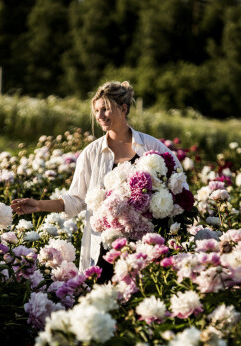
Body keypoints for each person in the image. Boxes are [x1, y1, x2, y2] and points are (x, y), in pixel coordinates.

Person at [11, 81, 181, 281]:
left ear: (123, 109)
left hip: (145, 246)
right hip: (104, 248)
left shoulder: (153, 147)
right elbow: (76, 200)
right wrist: (38, 205)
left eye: (106, 109)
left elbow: (179, 187)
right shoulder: (92, 153)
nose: (100, 116)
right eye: (97, 111)